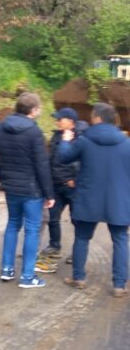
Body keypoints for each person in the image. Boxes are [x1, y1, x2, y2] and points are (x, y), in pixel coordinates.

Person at [58, 102, 130, 298]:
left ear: (97, 118)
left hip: (89, 198)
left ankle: (79, 278)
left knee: (82, 238)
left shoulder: (85, 140)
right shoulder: (126, 143)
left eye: (92, 116)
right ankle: (119, 285)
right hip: (118, 201)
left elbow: (63, 157)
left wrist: (65, 140)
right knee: (121, 240)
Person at [0, 92, 55, 288]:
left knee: (13, 224)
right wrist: (49, 194)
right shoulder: (34, 133)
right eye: (39, 108)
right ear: (33, 111)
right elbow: (42, 166)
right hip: (32, 190)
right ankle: (27, 276)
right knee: (32, 230)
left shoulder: (0, 128)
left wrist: (4, 176)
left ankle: (7, 269)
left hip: (11, 188)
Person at [34, 108, 86, 273]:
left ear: (71, 121)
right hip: (56, 186)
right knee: (52, 218)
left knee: (76, 220)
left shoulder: (81, 138)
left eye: (60, 119)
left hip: (73, 188)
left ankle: (77, 253)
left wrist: (76, 180)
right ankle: (54, 245)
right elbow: (50, 160)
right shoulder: (56, 136)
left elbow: (87, 163)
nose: (57, 121)